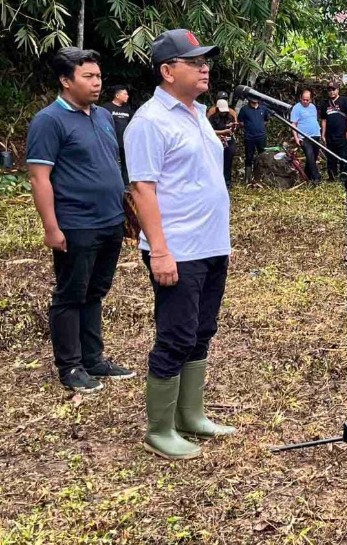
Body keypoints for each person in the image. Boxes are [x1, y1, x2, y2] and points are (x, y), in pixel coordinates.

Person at [124, 29, 235, 461]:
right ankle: (160, 429)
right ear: (167, 71)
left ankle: (191, 415)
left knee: (203, 330)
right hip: (178, 249)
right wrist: (161, 250)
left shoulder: (196, 114)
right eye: (193, 61)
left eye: (205, 60)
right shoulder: (150, 122)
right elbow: (143, 190)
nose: (204, 66)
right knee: (176, 334)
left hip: (210, 246)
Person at [26, 47, 134, 394]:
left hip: (110, 220)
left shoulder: (102, 116)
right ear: (64, 80)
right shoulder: (49, 121)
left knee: (96, 291)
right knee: (71, 294)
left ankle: (94, 358)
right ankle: (69, 365)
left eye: (98, 76)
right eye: (88, 76)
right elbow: (40, 178)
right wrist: (51, 227)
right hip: (76, 223)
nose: (96, 82)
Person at [319, 82, 347, 183]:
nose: (331, 92)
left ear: (338, 90)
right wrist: (323, 134)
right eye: (329, 90)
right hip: (330, 135)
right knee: (331, 157)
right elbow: (324, 120)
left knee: (344, 156)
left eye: (333, 89)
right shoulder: (325, 104)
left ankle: (345, 176)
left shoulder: (345, 101)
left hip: (343, 134)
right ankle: (332, 176)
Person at [101, 84, 133, 185]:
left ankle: (126, 185)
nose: (127, 96)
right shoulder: (106, 108)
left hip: (125, 143)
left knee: (126, 164)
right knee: (111, 164)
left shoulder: (127, 109)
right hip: (111, 142)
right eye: (125, 94)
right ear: (117, 95)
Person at [236, 95, 270, 185]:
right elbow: (240, 121)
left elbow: (266, 120)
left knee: (262, 156)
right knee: (249, 157)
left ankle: (261, 177)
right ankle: (247, 179)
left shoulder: (263, 108)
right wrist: (249, 127)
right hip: (249, 137)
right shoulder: (244, 109)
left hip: (261, 136)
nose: (254, 102)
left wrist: (260, 127)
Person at [206, 91, 237, 188]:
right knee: (216, 163)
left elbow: (234, 127)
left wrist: (233, 128)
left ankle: (227, 182)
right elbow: (208, 131)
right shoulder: (212, 114)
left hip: (228, 141)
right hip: (216, 141)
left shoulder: (231, 114)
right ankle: (216, 182)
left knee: (228, 162)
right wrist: (222, 132)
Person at [290, 89, 322, 185]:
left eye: (307, 100)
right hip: (304, 137)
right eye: (303, 99)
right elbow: (293, 124)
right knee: (310, 155)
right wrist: (296, 138)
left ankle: (307, 175)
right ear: (300, 98)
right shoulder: (296, 108)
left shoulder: (313, 107)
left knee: (314, 156)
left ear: (311, 99)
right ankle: (316, 178)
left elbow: (313, 120)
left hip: (315, 135)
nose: (305, 101)